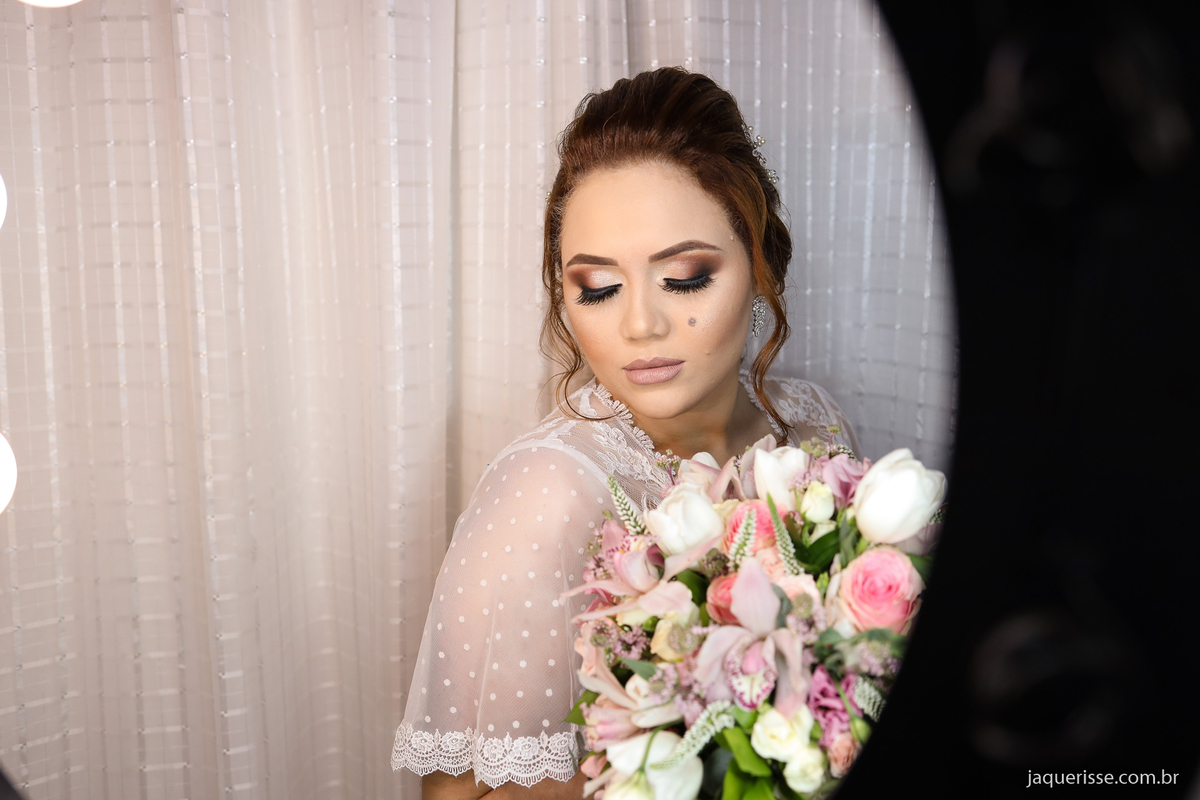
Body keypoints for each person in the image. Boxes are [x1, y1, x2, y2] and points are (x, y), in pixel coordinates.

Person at [392, 67, 861, 799]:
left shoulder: (814, 422)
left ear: (759, 265)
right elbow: (455, 796)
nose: (640, 325)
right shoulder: (545, 494)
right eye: (599, 288)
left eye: (686, 276)